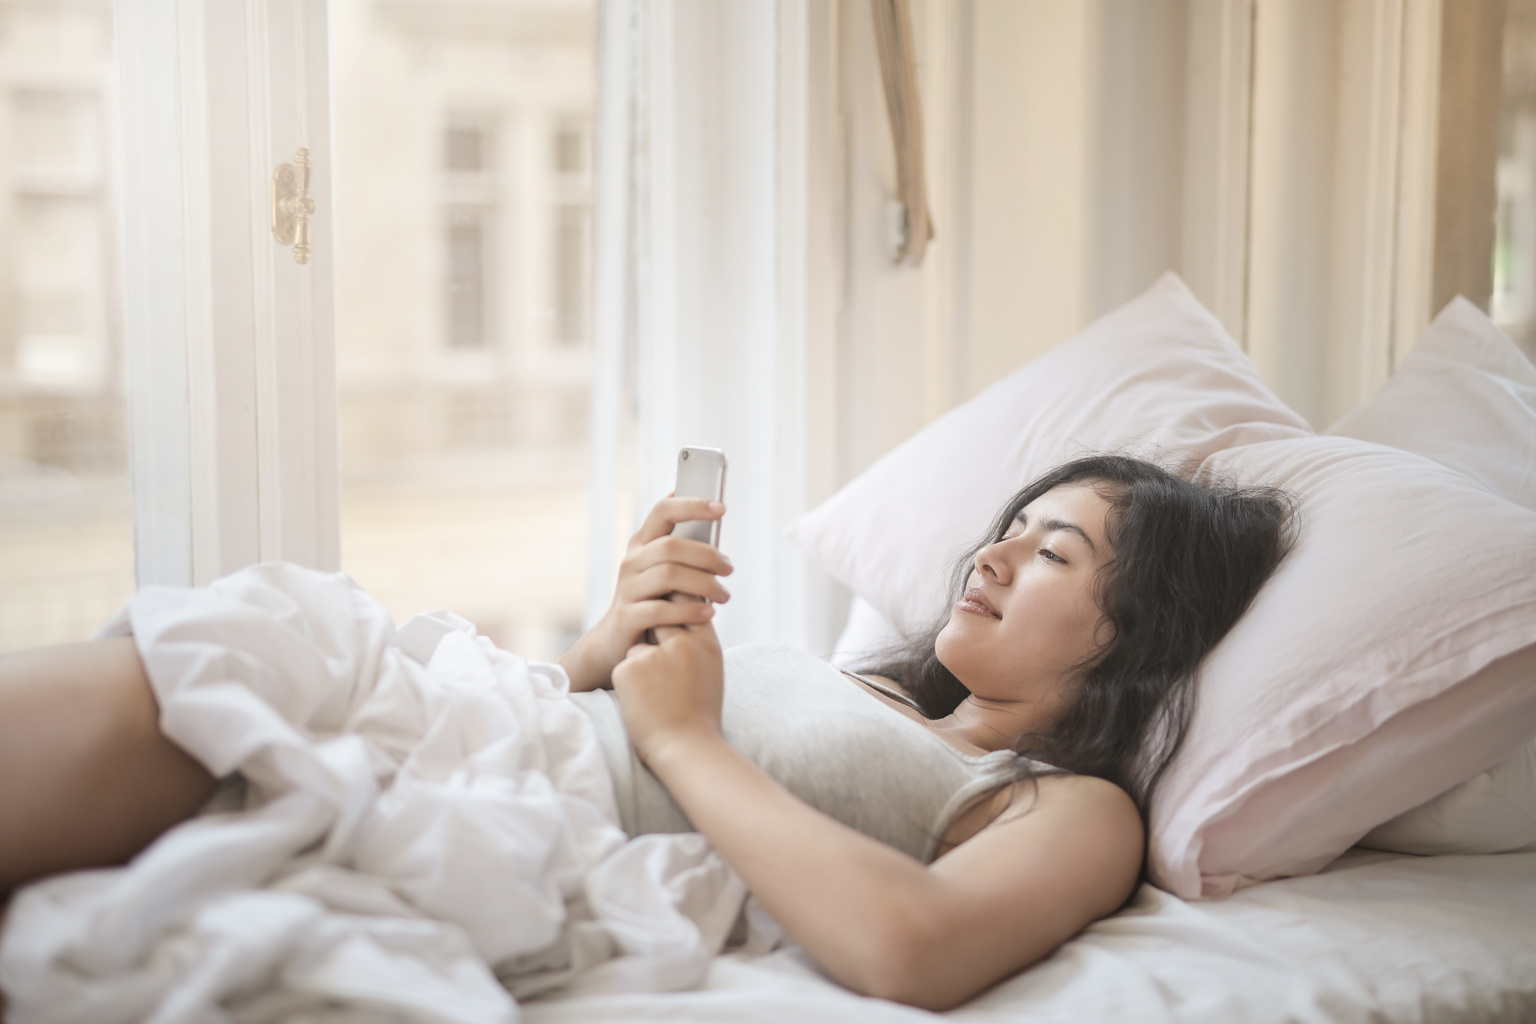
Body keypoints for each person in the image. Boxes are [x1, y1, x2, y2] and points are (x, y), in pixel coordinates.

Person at [0, 454, 1290, 1012]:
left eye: (1053, 548)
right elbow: (576, 728)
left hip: (477, 805)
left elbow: (915, 948)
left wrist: (686, 743)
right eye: (1011, 523)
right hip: (445, 723)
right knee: (180, 685)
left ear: (1134, 633)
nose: (997, 551)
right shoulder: (873, 688)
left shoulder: (1066, 807)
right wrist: (601, 652)